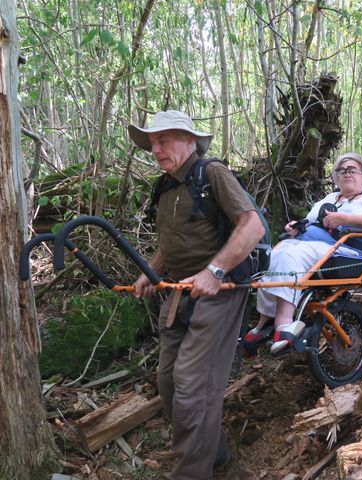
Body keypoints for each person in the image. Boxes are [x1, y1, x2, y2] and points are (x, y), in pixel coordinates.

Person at [128, 110, 265, 480]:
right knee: (168, 381)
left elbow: (252, 226)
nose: (156, 150)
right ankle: (215, 453)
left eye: (164, 140)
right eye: (152, 143)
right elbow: (173, 241)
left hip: (221, 289)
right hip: (179, 290)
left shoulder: (212, 174)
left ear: (190, 141)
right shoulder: (166, 185)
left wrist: (214, 270)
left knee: (192, 386)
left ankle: (193, 473)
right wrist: (151, 271)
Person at [247, 153, 362, 354]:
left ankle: (282, 324)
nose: (346, 173)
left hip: (351, 250)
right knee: (276, 253)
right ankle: (266, 320)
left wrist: (343, 219)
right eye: (342, 171)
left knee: (291, 255)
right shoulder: (329, 198)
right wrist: (297, 228)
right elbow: (310, 223)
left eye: (352, 170)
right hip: (317, 244)